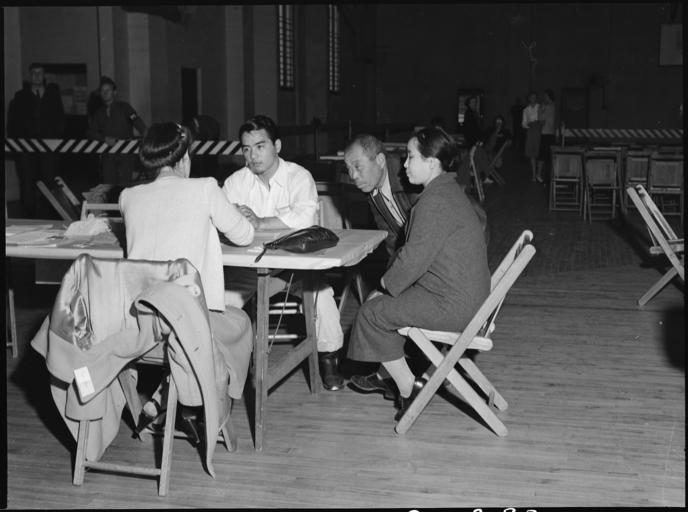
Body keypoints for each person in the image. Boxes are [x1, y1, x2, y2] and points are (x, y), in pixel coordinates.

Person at [119, 121, 255, 442]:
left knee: (201, 331)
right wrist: (235, 215)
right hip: (186, 325)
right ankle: (205, 408)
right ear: (183, 159)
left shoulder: (128, 197)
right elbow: (245, 235)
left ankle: (166, 395)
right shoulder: (205, 188)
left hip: (141, 326)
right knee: (240, 324)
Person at [346, 127, 490, 420]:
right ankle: (395, 375)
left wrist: (385, 287)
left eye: (411, 157)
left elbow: (413, 257)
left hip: (455, 301)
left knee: (370, 314)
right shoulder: (445, 191)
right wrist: (390, 286)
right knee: (381, 305)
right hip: (469, 293)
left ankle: (409, 390)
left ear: (432, 163)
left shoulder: (433, 201)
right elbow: (404, 249)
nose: (405, 164)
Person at [222, 114, 345, 391]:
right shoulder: (235, 182)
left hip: (294, 269)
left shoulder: (298, 176)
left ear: (277, 146)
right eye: (246, 149)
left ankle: (329, 358)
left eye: (260, 146)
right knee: (219, 304)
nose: (253, 155)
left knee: (322, 296)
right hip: (250, 269)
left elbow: (306, 218)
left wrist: (260, 222)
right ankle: (228, 367)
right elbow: (219, 219)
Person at [6, 62, 65, 218]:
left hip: (49, 148)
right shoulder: (20, 97)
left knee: (50, 183)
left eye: (40, 73)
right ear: (29, 76)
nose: (37, 76)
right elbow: (13, 122)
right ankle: (29, 217)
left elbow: (60, 119)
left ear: (44, 76)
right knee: (27, 183)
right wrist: (17, 146)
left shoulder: (53, 96)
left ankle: (51, 217)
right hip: (26, 149)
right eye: (34, 73)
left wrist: (56, 141)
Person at [87, 76, 147, 185]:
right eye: (102, 90)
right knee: (109, 185)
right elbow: (91, 132)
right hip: (108, 154)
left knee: (125, 185)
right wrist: (104, 139)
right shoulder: (99, 113)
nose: (105, 93)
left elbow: (137, 121)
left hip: (126, 153)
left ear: (114, 92)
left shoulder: (125, 108)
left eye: (108, 90)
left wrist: (147, 133)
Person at [522, 91, 543, 182]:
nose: (533, 99)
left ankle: (539, 174)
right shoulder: (526, 110)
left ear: (536, 98)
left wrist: (538, 124)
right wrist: (529, 125)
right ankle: (534, 175)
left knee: (540, 153)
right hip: (531, 131)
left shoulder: (540, 107)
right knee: (532, 154)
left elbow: (544, 119)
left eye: (535, 97)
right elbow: (523, 124)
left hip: (540, 130)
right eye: (531, 97)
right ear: (529, 99)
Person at [538, 89, 556, 182]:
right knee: (547, 155)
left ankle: (540, 174)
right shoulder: (552, 105)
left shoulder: (548, 106)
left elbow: (541, 119)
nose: (544, 97)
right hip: (549, 133)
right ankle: (544, 175)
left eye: (545, 96)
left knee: (543, 155)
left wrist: (540, 109)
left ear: (548, 96)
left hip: (546, 133)